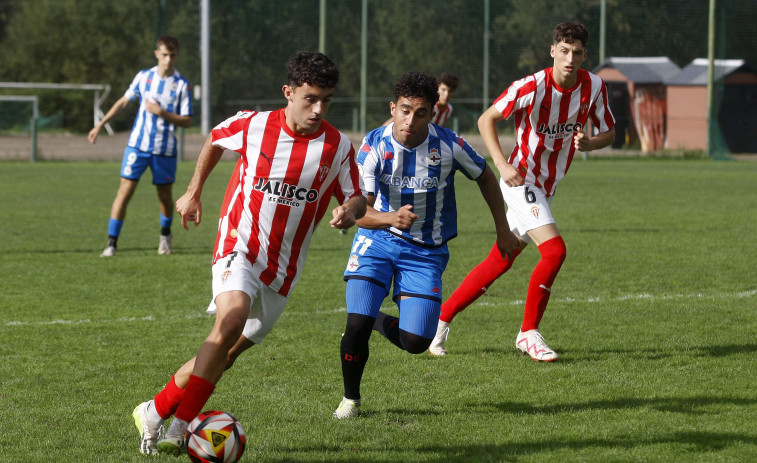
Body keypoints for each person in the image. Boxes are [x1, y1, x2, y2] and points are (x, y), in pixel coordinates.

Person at [130, 51, 367, 455]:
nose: (318, 108)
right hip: (238, 245)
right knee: (232, 317)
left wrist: (350, 210)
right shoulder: (254, 124)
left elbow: (359, 197)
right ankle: (181, 427)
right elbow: (215, 138)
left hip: (283, 268)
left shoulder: (338, 146)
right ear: (288, 92)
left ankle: (153, 410)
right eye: (310, 98)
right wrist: (193, 190)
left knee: (227, 353)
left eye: (326, 99)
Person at [333, 71, 519, 419]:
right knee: (355, 325)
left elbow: (485, 177)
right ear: (393, 108)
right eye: (404, 110)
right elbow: (364, 204)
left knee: (417, 342)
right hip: (376, 240)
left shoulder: (449, 145)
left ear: (432, 113)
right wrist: (362, 214)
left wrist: (502, 229)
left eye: (420, 113)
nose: (410, 120)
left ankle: (375, 319)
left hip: (426, 251)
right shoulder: (374, 144)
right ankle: (350, 400)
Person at [428, 22, 616, 361]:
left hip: (546, 186)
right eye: (564, 50)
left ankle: (440, 322)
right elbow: (486, 119)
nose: (570, 58)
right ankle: (528, 333)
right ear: (553, 51)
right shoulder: (532, 85)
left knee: (501, 258)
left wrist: (591, 142)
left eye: (576, 52)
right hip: (520, 181)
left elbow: (610, 133)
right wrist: (502, 164)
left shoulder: (595, 86)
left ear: (585, 54)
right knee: (555, 251)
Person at [89, 35, 193, 258]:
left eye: (173, 55)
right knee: (124, 193)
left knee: (165, 198)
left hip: (164, 151)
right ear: (157, 54)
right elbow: (124, 102)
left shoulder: (182, 85)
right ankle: (111, 243)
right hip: (137, 147)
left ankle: (165, 237)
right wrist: (101, 124)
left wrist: (161, 112)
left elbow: (187, 120)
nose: (168, 59)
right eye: (164, 54)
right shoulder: (144, 77)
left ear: (178, 56)